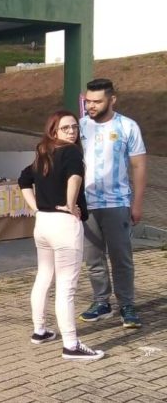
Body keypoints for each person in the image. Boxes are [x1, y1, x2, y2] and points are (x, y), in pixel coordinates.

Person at [19, 110, 104, 361]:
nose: (72, 131)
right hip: (64, 225)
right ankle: (71, 345)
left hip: (43, 224)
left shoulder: (44, 152)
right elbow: (74, 178)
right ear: (53, 130)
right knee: (66, 287)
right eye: (66, 128)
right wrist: (69, 204)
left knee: (44, 277)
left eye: (75, 127)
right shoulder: (72, 152)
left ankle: (40, 330)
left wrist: (36, 208)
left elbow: (23, 180)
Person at [78, 78, 147, 329]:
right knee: (93, 259)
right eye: (88, 101)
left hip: (117, 203)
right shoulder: (80, 127)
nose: (91, 106)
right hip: (87, 205)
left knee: (121, 258)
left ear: (112, 100)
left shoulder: (128, 126)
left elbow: (139, 166)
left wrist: (137, 204)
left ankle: (127, 305)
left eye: (97, 102)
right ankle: (101, 302)